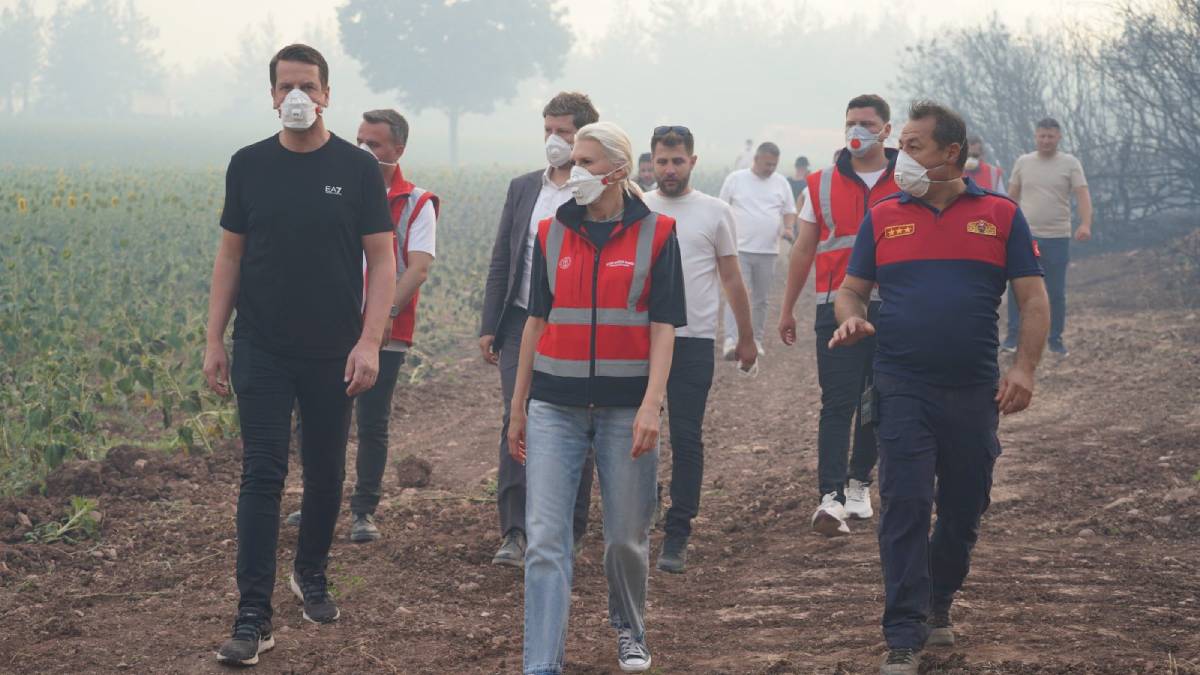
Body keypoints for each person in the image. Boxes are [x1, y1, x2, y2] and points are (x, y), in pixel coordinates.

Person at [831, 101, 1049, 674]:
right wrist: (850, 316)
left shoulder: (1001, 215)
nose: (904, 157)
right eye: (902, 145)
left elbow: (1032, 299)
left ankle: (938, 598)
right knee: (905, 502)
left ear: (953, 153)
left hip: (974, 389)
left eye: (916, 146)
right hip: (901, 383)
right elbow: (850, 289)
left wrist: (1023, 369)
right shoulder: (883, 216)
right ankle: (903, 632)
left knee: (963, 507)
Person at [204, 44, 397, 667]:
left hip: (332, 351)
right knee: (262, 474)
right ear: (270, 95)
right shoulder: (248, 165)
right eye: (286, 86)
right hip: (261, 345)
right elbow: (230, 255)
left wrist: (370, 341)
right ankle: (252, 613)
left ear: (326, 94)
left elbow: (382, 259)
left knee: (325, 474)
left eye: (308, 86)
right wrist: (215, 339)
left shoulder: (359, 169)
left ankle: (310, 572)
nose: (297, 97)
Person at [508, 121, 686, 674]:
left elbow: (663, 326)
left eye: (585, 162)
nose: (573, 171)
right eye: (573, 161)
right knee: (544, 541)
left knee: (625, 540)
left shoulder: (658, 234)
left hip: (624, 408)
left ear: (616, 170)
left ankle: (630, 630)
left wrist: (652, 403)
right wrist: (518, 406)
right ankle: (542, 664)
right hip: (553, 408)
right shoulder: (550, 234)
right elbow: (535, 323)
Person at [283, 109, 439, 542]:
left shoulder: (416, 203)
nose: (364, 151)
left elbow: (417, 268)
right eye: (359, 141)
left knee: (371, 421)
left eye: (375, 144)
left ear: (398, 150)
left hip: (386, 330)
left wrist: (383, 315)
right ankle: (317, 501)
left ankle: (363, 510)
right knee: (313, 416)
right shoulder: (333, 189)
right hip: (326, 324)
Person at [479, 93, 599, 568]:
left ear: (585, 134)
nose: (555, 140)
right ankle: (515, 529)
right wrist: (490, 323)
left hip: (575, 323)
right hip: (522, 318)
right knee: (518, 415)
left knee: (575, 419)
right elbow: (503, 258)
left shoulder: (597, 190)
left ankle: (570, 526)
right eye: (548, 130)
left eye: (565, 132)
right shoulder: (524, 188)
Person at [778, 94, 899, 537]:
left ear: (887, 130)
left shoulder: (910, 177)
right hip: (834, 306)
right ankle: (829, 497)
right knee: (838, 401)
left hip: (896, 305)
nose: (857, 131)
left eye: (867, 123)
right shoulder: (821, 183)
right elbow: (804, 248)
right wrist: (788, 308)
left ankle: (858, 483)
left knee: (879, 398)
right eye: (851, 122)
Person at [642, 125, 756, 573]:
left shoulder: (715, 212)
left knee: (686, 437)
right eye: (661, 161)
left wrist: (745, 337)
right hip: (641, 339)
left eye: (677, 161)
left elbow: (731, 278)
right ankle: (641, 511)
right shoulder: (638, 207)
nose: (669, 170)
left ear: (692, 161)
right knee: (636, 432)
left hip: (693, 340)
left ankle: (678, 532)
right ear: (651, 162)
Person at [1004, 117, 1092, 356]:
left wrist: (1085, 224)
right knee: (1018, 287)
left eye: (1050, 136)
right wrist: (1006, 227)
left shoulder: (1070, 163)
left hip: (1057, 237)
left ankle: (1055, 339)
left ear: (1058, 137)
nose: (1045, 140)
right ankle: (1013, 337)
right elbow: (1011, 197)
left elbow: (1082, 194)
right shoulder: (1023, 162)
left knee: (1055, 291)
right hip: (1026, 236)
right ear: (1036, 136)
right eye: (1042, 135)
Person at [718, 142, 798, 359]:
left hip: (768, 251)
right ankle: (731, 340)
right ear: (756, 160)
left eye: (774, 165)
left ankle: (756, 340)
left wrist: (789, 227)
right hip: (738, 249)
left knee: (761, 299)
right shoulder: (736, 179)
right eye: (767, 164)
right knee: (736, 295)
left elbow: (789, 210)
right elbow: (721, 209)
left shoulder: (781, 183)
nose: (770, 168)